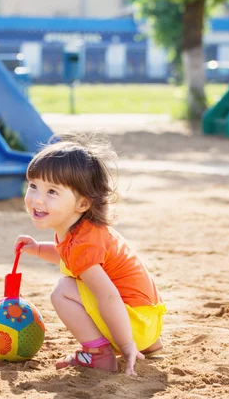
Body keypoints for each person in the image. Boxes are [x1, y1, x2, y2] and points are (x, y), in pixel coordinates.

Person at [15, 132, 166, 376]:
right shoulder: (82, 231)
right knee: (74, 282)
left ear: (83, 204)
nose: (37, 200)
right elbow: (68, 258)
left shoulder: (84, 244)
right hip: (145, 322)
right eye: (33, 186)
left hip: (133, 326)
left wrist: (127, 346)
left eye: (52, 192)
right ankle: (144, 344)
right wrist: (38, 249)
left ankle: (98, 355)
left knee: (63, 290)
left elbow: (108, 297)